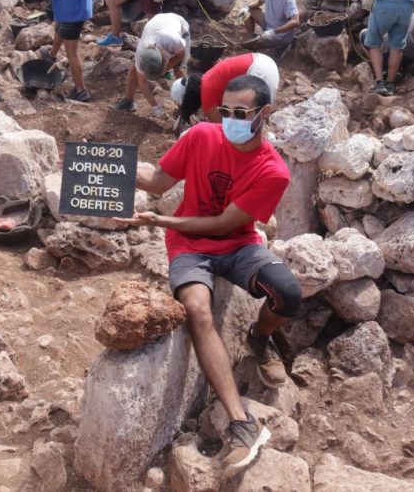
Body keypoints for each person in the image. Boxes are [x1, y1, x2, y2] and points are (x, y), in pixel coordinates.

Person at [116, 74, 300, 473]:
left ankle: (260, 336)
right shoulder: (200, 136)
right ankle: (241, 423)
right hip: (189, 247)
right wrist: (103, 166)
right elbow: (159, 179)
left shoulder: (273, 170)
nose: (230, 119)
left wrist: (159, 221)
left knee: (288, 293)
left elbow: (222, 225)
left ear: (263, 114)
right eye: (225, 111)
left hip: (237, 243)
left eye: (241, 112)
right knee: (197, 310)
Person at [172, 52, 279, 128]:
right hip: (262, 60)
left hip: (258, 73)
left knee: (251, 125)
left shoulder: (206, 94)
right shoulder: (207, 78)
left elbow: (222, 128)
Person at [113, 12, 190, 115]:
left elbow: (180, 55)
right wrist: (156, 107)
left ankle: (185, 109)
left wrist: (164, 70)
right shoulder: (141, 53)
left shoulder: (174, 41)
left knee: (180, 71)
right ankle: (128, 101)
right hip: (156, 27)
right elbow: (143, 83)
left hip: (179, 26)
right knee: (133, 70)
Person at [358, 12, 414, 76]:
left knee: (362, 34)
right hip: (407, 59)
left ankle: (382, 68)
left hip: (387, 57)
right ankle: (401, 69)